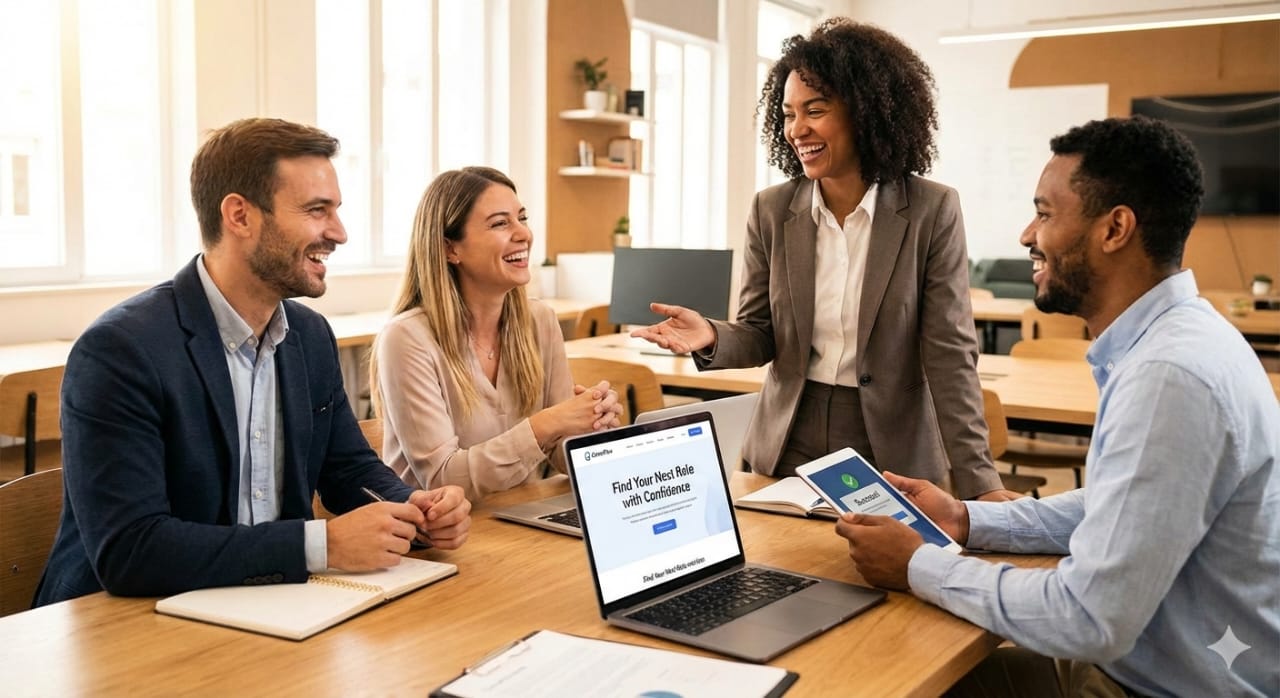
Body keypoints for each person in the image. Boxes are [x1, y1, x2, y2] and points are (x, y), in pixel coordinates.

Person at [836, 116, 1280, 697]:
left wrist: (918, 565)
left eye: (1045, 214)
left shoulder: (1169, 376)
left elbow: (1088, 617)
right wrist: (967, 519)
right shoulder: (1179, 340)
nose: (1027, 233)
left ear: (1115, 228)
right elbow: (1118, 507)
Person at [34, 118, 472, 606]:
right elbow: (131, 551)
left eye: (336, 211)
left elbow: (347, 470)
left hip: (267, 606)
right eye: (315, 210)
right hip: (120, 625)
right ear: (239, 216)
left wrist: (412, 507)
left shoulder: (309, 335)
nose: (340, 233)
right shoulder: (121, 350)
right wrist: (321, 546)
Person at [631, 18, 1005, 500]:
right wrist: (711, 335)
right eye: (787, 114)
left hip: (889, 447)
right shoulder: (772, 210)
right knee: (781, 572)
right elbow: (761, 333)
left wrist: (981, 484)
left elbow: (950, 356)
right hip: (788, 440)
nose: (797, 129)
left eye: (816, 110)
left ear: (865, 113)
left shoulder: (931, 210)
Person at [369, 167, 623, 501]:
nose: (524, 235)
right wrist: (547, 424)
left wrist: (592, 431)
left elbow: (560, 455)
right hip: (434, 537)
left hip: (518, 521)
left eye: (522, 218)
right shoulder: (407, 339)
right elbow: (442, 479)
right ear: (450, 249)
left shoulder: (539, 321)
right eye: (500, 223)